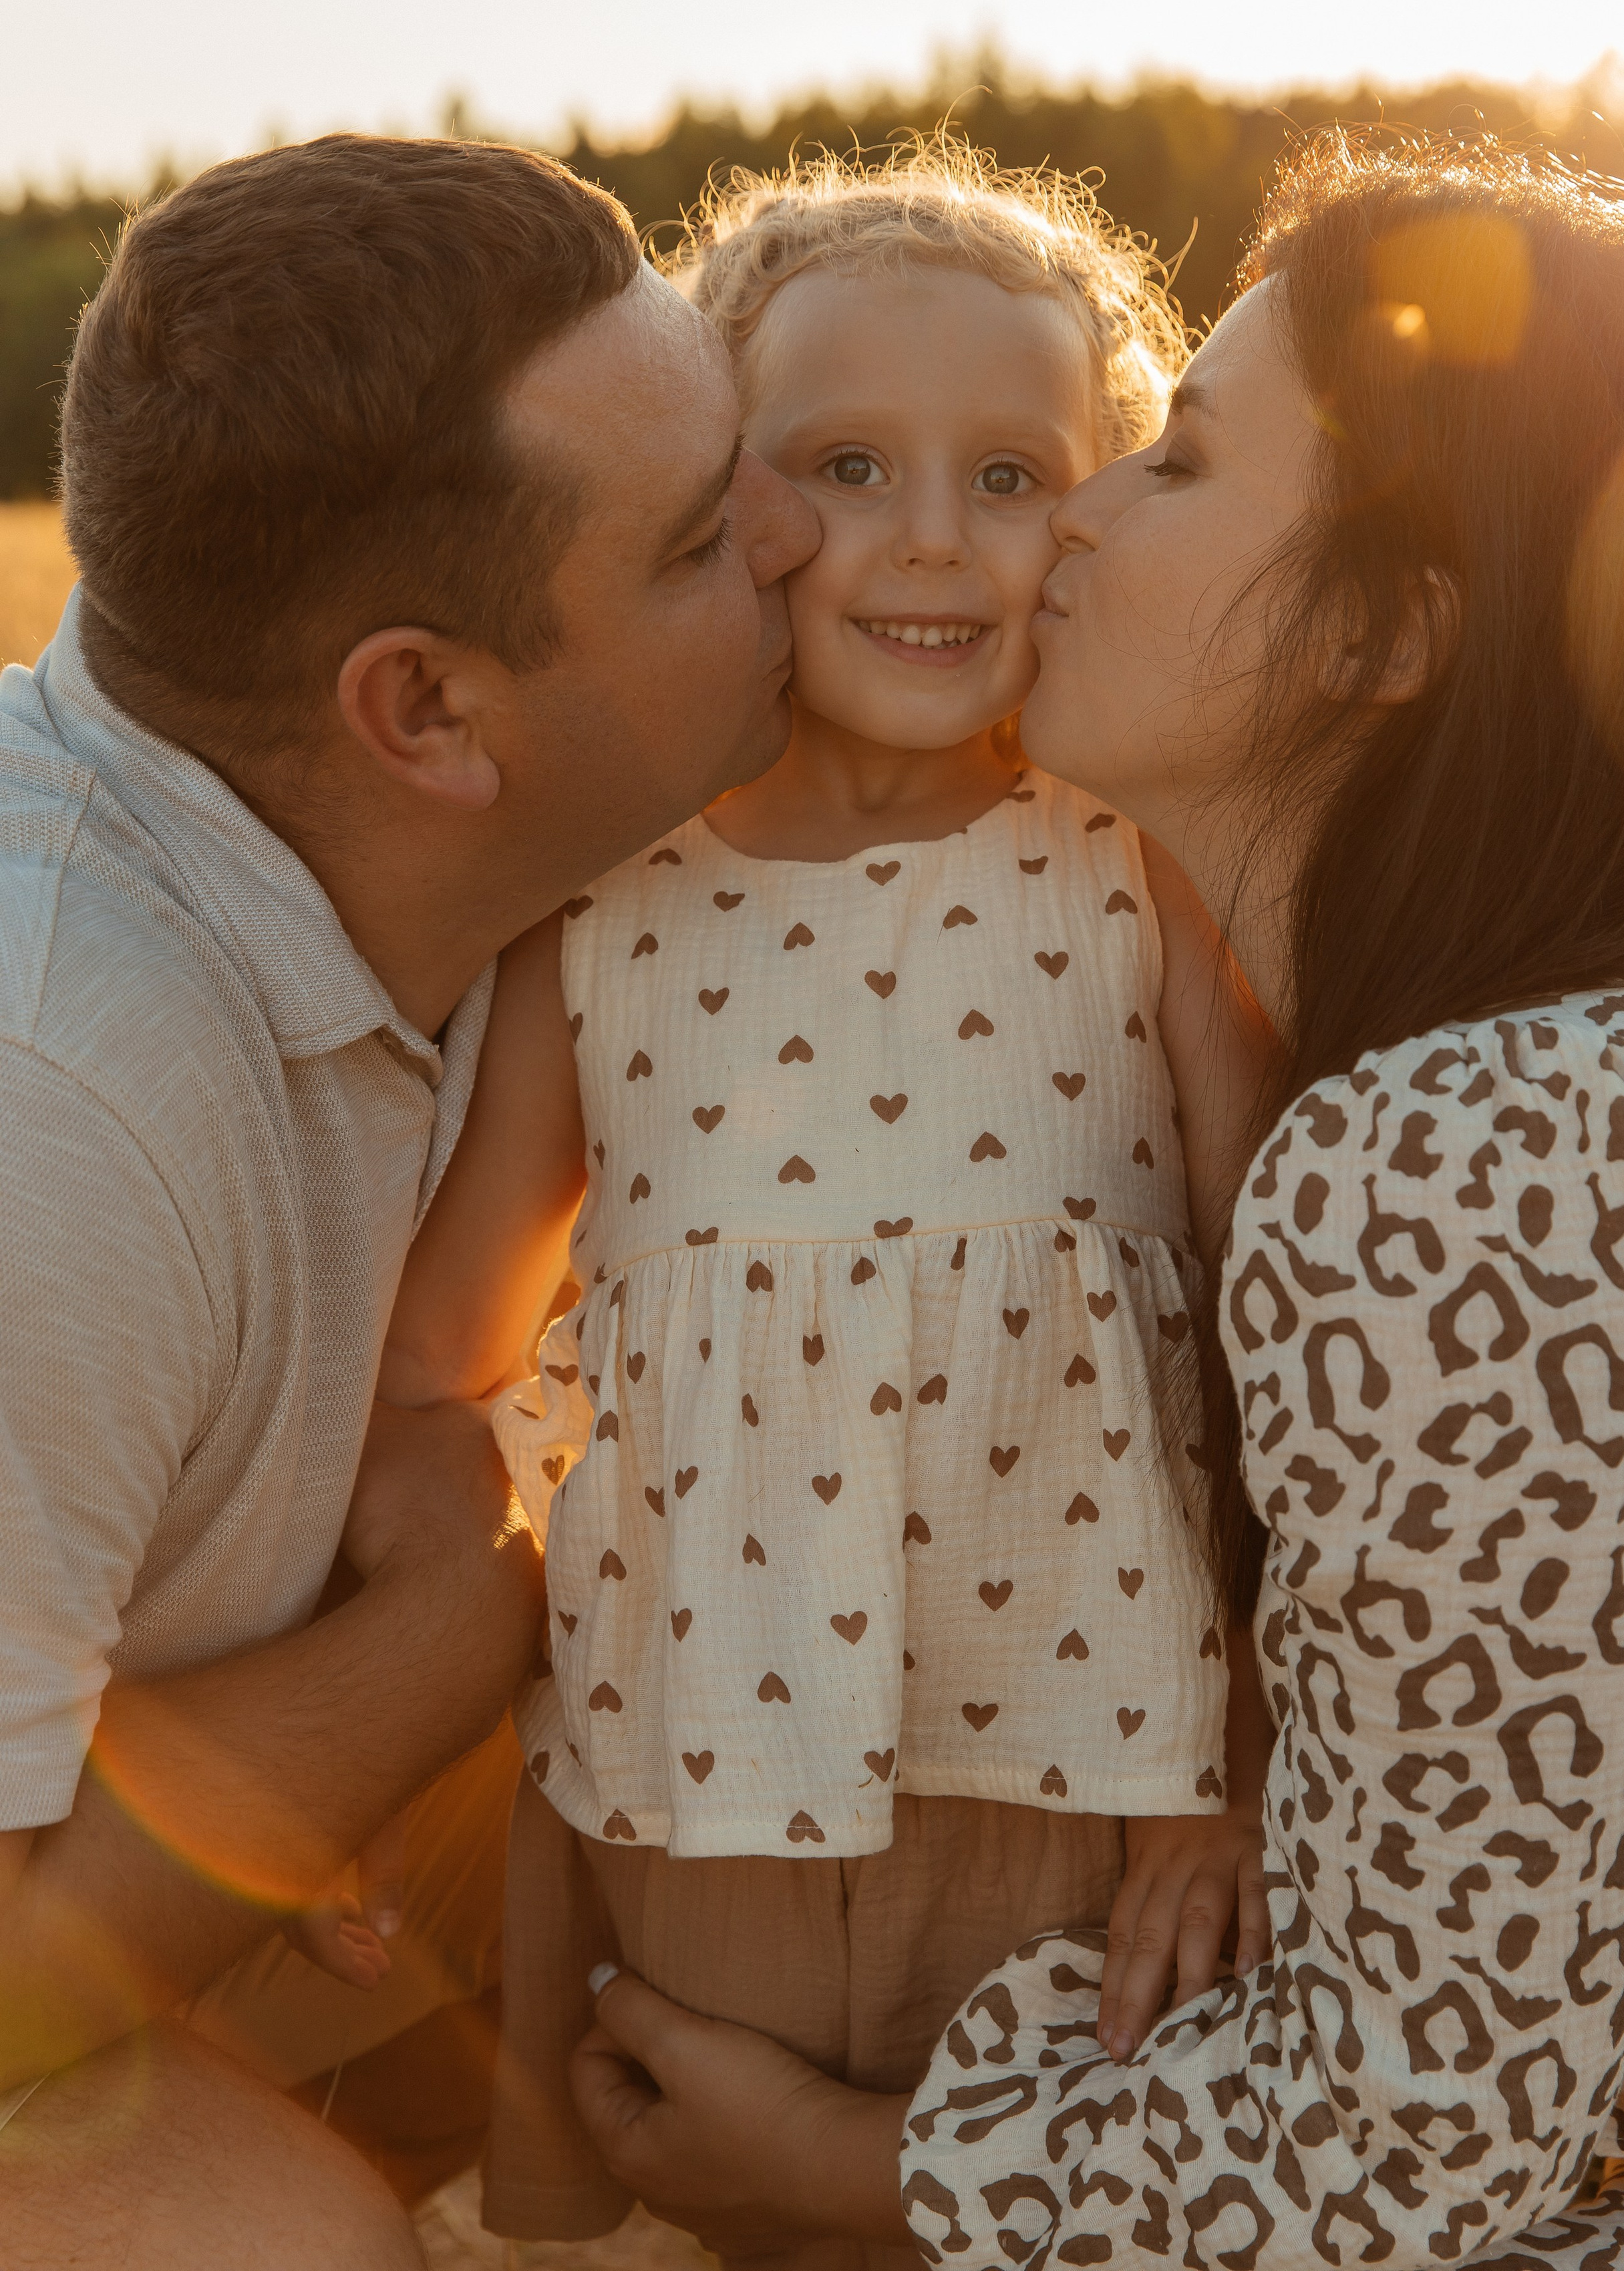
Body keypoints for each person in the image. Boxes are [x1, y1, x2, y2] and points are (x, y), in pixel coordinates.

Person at [552, 132, 1624, 2271]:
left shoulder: (1487, 1151)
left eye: (1165, 464)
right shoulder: (1555, 1078)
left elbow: (1419, 2143)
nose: (1054, 515)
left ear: (1379, 630)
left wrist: (834, 2169)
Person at [380, 148, 1277, 2257]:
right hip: (699, 1751)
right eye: (851, 467)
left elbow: (1279, 1328)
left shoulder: (1131, 864)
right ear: (731, 506)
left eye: (1015, 473)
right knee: (719, 2205)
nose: (935, 541)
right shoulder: (604, 899)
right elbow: (448, 1358)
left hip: (1101, 1784)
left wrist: (1243, 1762)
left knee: (1011, 2216)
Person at [0, 131, 815, 2270]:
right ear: (428, 709)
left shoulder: (494, 859)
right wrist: (471, 1617)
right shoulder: (54, 1100)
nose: (806, 543)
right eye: (706, 539)